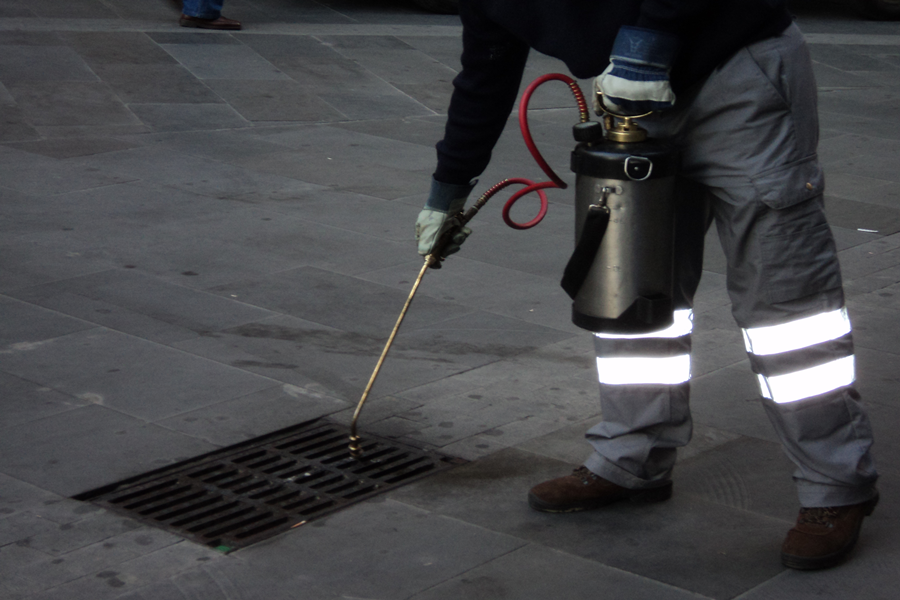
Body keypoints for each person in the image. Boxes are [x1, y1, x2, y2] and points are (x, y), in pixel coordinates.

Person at [414, 0, 879, 571]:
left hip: (738, 69)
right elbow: (487, 67)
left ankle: (834, 486)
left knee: (785, 304)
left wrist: (651, 35)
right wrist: (448, 189)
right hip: (634, 102)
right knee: (629, 288)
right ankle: (631, 458)